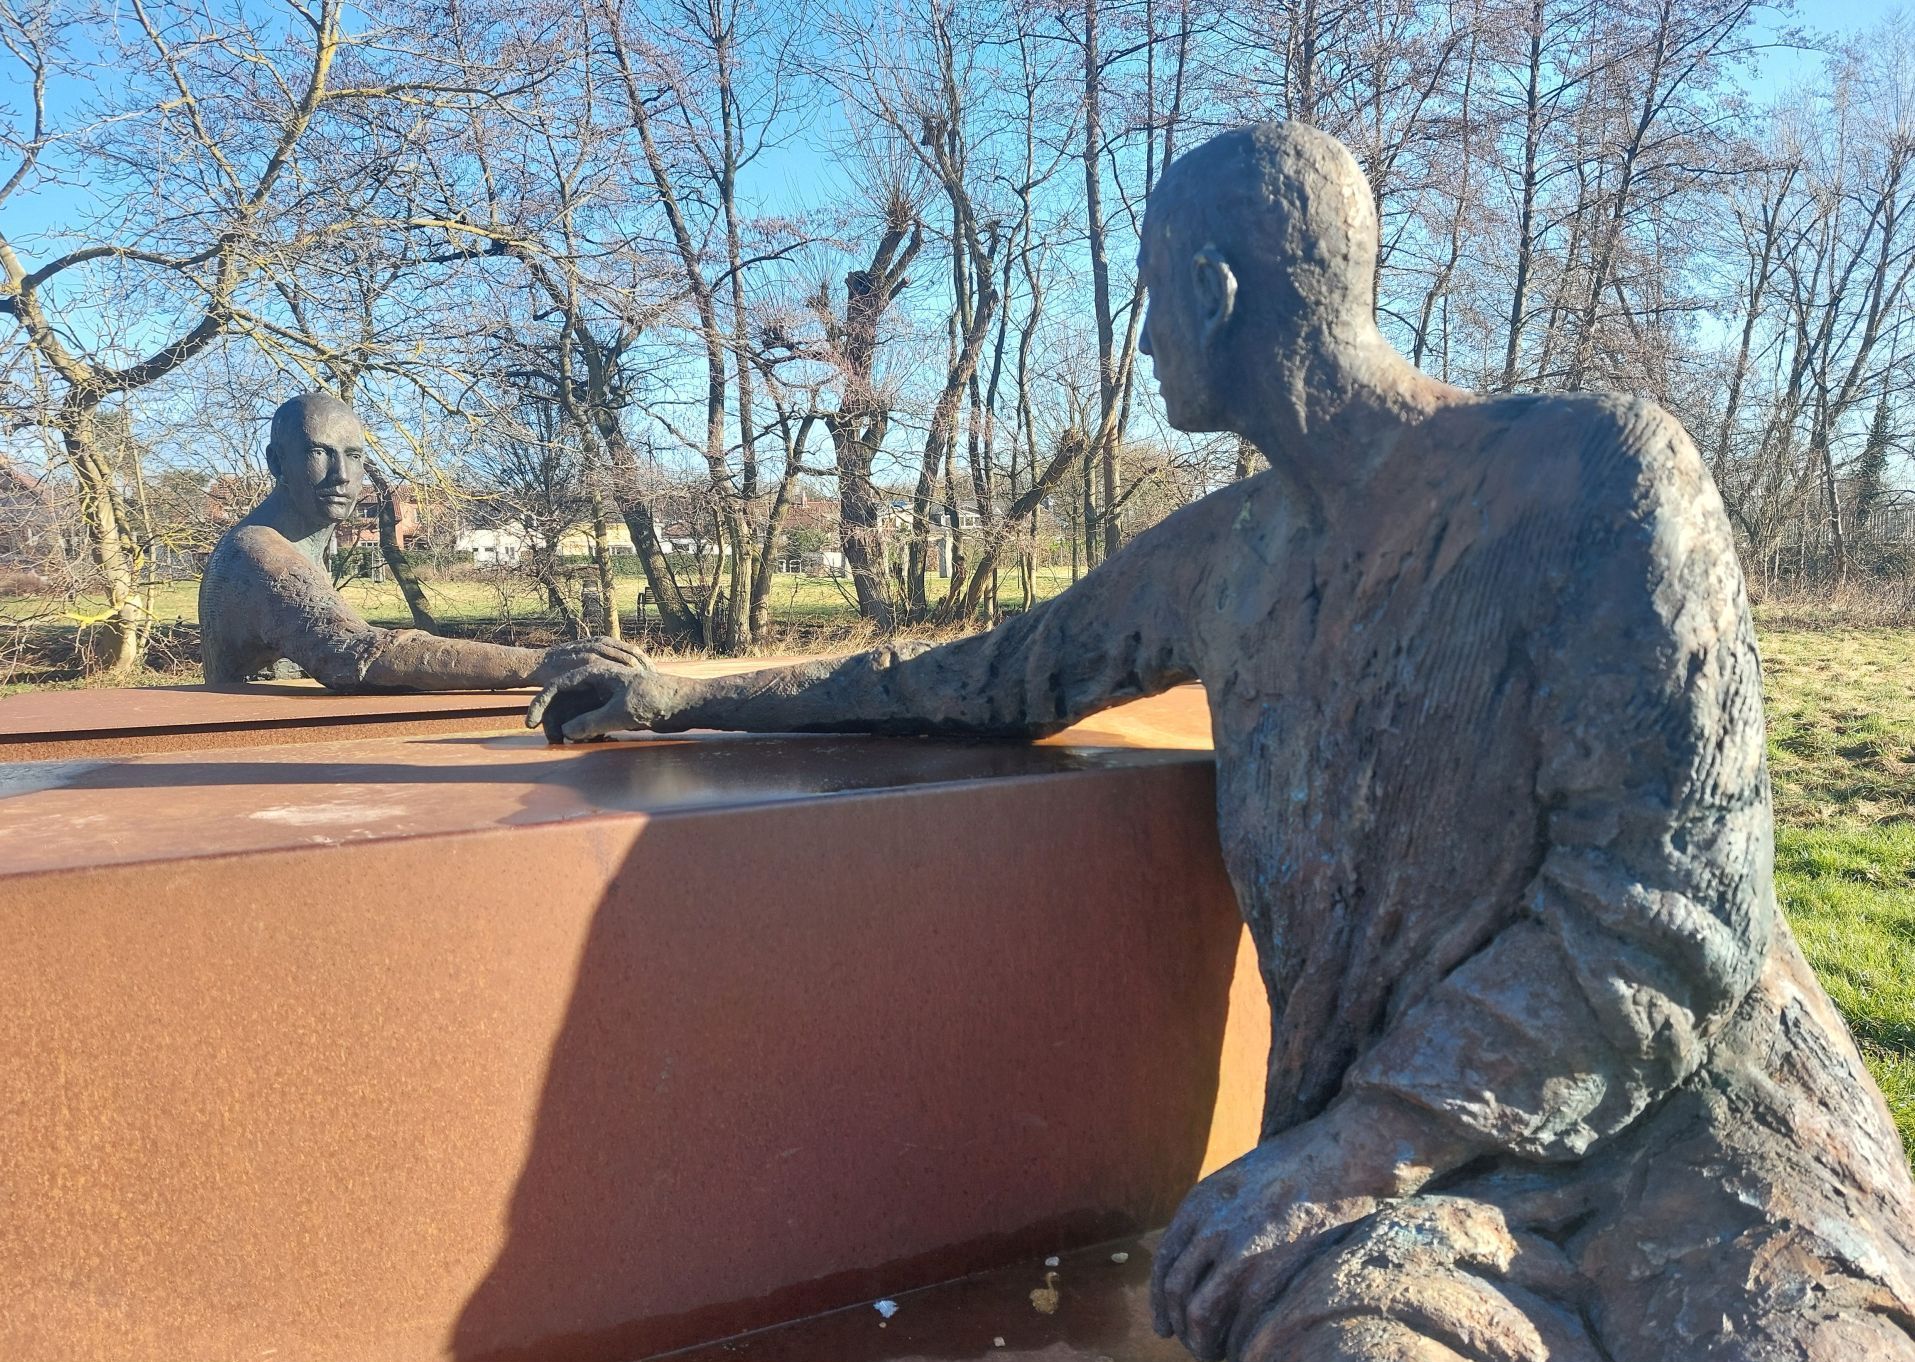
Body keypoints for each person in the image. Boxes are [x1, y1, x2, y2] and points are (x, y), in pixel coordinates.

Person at [524, 123, 1915, 1361]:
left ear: (1208, 292)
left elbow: (1660, 915)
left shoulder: (1590, 475)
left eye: (1144, 299)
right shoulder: (1221, 562)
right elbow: (984, 676)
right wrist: (688, 690)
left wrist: (1350, 1148)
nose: (1138, 343)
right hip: (1422, 1211)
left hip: (1686, 1146)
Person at [199, 392, 626, 690]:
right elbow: (354, 654)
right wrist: (541, 663)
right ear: (277, 461)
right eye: (319, 453)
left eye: (354, 456)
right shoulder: (257, 553)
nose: (342, 476)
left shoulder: (295, 544)